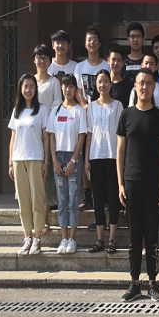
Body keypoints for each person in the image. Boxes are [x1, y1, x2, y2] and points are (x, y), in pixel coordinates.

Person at [117, 68, 159, 302]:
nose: (145, 87)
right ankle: (134, 283)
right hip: (131, 182)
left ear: (154, 87)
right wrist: (120, 184)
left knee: (151, 236)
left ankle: (152, 283)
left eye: (149, 83)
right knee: (134, 236)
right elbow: (120, 151)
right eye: (141, 83)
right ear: (135, 86)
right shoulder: (126, 115)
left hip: (154, 183)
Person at [8, 73, 50, 256]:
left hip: (36, 159)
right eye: (25, 86)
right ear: (21, 88)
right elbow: (13, 138)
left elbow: (46, 138)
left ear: (35, 89)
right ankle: (27, 237)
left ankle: (37, 238)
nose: (28, 90)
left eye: (32, 86)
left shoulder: (42, 110)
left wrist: (46, 161)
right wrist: (10, 162)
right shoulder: (16, 111)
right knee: (23, 202)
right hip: (18, 160)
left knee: (37, 200)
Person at [47, 74, 88, 255]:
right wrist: (54, 161)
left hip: (73, 157)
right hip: (58, 157)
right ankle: (63, 238)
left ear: (75, 89)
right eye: (65, 86)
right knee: (61, 200)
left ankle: (72, 238)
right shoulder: (55, 111)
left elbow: (81, 138)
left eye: (71, 86)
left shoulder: (79, 111)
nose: (67, 89)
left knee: (73, 200)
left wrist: (73, 161)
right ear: (61, 88)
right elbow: (51, 137)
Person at [84, 70, 123, 254]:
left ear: (110, 84)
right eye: (100, 82)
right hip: (95, 156)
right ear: (96, 85)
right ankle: (100, 239)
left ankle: (112, 239)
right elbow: (89, 134)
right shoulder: (91, 107)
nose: (103, 85)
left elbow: (121, 135)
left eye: (106, 81)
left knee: (114, 198)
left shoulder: (118, 105)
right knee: (98, 199)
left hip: (113, 157)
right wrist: (86, 159)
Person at [33, 44, 62, 231]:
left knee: (46, 177)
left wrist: (49, 130)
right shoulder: (29, 81)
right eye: (39, 57)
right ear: (34, 60)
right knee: (33, 177)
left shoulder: (54, 83)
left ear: (50, 61)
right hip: (31, 133)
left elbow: (56, 106)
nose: (42, 61)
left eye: (45, 58)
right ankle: (33, 218)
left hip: (48, 133)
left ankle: (44, 219)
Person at [74, 28, 110, 109]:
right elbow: (78, 92)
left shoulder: (107, 66)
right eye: (89, 39)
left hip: (104, 108)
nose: (92, 42)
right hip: (85, 110)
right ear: (85, 44)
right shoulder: (79, 67)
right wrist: (84, 106)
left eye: (95, 39)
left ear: (99, 44)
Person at [107, 45, 132, 110]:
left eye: (119, 60)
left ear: (123, 63)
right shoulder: (102, 83)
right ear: (108, 61)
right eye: (113, 59)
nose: (116, 63)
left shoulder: (128, 85)